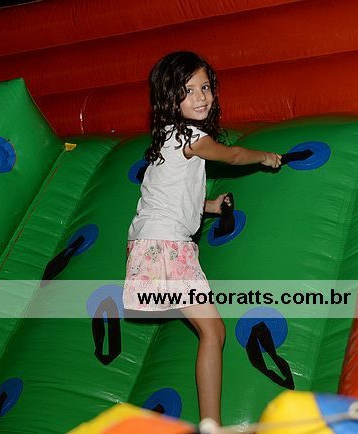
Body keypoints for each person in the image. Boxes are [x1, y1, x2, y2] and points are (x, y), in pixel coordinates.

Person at [123, 51, 281, 425]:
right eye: (188, 90)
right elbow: (234, 155)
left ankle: (210, 424)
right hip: (167, 246)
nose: (200, 97)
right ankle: (211, 424)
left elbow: (167, 197)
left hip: (146, 245)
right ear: (170, 98)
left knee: (212, 331)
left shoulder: (165, 139)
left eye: (205, 87)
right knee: (213, 331)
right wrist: (264, 156)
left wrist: (210, 206)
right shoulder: (191, 136)